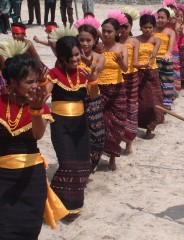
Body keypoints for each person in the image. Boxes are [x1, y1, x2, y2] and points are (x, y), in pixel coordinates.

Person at [0, 52, 64, 238]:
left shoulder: (39, 103)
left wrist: (36, 110)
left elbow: (38, 134)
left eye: (36, 81)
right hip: (2, 177)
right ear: (13, 83)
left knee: (28, 229)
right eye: (29, 82)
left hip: (31, 178)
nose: (35, 86)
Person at [45, 29, 99, 213]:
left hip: (80, 125)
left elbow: (92, 96)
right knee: (68, 164)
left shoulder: (86, 72)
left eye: (77, 54)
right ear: (61, 58)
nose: (75, 59)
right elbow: (44, 95)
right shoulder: (53, 74)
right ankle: (57, 203)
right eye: (70, 57)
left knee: (83, 165)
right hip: (60, 125)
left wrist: (93, 81)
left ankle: (72, 204)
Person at [75, 17, 106, 171]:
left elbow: (97, 70)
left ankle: (92, 162)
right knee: (78, 133)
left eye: (88, 40)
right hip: (75, 99)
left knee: (97, 135)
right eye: (81, 40)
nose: (85, 43)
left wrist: (85, 60)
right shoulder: (72, 58)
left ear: (95, 41)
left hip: (93, 98)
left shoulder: (100, 57)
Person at [98, 14, 128, 171]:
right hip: (99, 89)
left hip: (116, 89)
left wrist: (120, 61)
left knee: (116, 123)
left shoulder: (121, 48)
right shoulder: (98, 47)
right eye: (104, 31)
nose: (106, 34)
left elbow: (126, 69)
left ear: (117, 32)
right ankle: (97, 154)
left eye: (109, 31)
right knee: (100, 122)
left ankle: (112, 156)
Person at [135, 11, 164, 139]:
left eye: (150, 27)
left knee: (154, 100)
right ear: (140, 27)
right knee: (140, 101)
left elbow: (156, 51)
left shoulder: (156, 40)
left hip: (151, 73)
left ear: (153, 27)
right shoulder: (135, 40)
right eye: (145, 27)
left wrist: (153, 54)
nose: (147, 30)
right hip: (138, 72)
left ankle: (150, 127)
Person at [119, 11, 140, 155]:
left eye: (125, 27)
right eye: (120, 27)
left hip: (131, 77)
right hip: (116, 78)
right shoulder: (113, 41)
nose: (123, 30)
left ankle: (129, 142)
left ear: (131, 26)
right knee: (118, 109)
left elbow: (136, 62)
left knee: (131, 109)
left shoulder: (134, 42)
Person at [153, 8, 176, 109]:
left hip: (165, 60)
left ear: (168, 19)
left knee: (167, 82)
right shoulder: (152, 30)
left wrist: (166, 55)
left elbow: (170, 48)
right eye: (158, 17)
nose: (160, 20)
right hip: (153, 59)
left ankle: (167, 103)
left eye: (163, 18)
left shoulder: (170, 32)